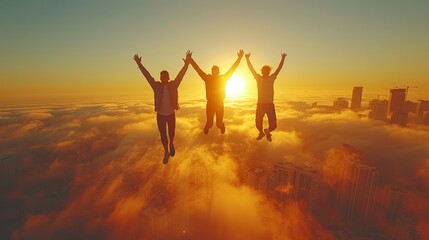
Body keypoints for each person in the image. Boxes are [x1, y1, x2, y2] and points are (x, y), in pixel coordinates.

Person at [133, 51, 191, 164]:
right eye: (162, 76)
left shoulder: (173, 84)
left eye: (165, 76)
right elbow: (147, 76)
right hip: (160, 115)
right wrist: (139, 64)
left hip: (171, 114)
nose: (163, 78)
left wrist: (186, 64)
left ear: (168, 77)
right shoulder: (156, 86)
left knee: (172, 132)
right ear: (160, 77)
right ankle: (166, 152)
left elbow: (181, 75)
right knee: (163, 135)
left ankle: (172, 144)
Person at [189, 50, 244, 134]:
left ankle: (221, 125)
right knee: (210, 123)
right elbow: (198, 69)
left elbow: (232, 69)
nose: (215, 72)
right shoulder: (208, 78)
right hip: (210, 103)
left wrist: (239, 59)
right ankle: (207, 126)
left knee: (218, 124)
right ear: (212, 72)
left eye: (216, 71)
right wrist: (190, 60)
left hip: (219, 103)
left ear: (218, 72)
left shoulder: (223, 78)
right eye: (213, 71)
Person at [245, 52, 287, 142]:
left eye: (267, 72)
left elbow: (279, 68)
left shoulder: (272, 78)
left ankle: (267, 132)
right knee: (258, 124)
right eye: (264, 72)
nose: (266, 73)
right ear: (262, 72)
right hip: (260, 104)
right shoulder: (258, 78)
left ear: (269, 72)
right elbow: (251, 69)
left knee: (273, 126)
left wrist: (283, 58)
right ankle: (261, 132)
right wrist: (247, 59)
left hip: (269, 104)